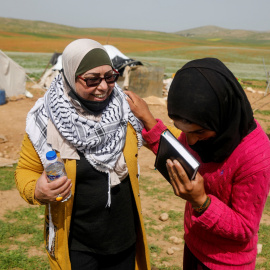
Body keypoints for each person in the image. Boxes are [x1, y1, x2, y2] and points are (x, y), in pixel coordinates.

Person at [15, 38, 151, 270]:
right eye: (91, 80)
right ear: (69, 75)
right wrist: (36, 191)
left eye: (110, 77)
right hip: (76, 243)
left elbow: (168, 138)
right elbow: (26, 170)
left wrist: (149, 119)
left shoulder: (126, 108)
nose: (103, 87)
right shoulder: (46, 117)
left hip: (124, 237)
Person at [125, 57, 270, 270]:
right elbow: (180, 155)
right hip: (194, 246)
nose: (190, 141)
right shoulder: (209, 133)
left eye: (198, 132)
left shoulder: (255, 156)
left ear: (222, 113)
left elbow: (245, 229)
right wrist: (148, 120)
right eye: (184, 131)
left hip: (224, 263)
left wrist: (201, 201)